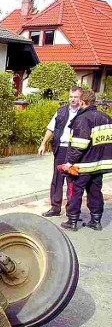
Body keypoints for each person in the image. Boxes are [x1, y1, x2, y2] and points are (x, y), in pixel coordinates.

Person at [58, 89, 112, 231]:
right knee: (95, 192)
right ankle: (96, 221)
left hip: (83, 165)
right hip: (99, 165)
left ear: (83, 101)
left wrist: (69, 162)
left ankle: (72, 221)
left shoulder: (83, 119)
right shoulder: (106, 117)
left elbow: (79, 145)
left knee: (76, 193)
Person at [38, 86, 83, 217]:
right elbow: (51, 129)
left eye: (75, 97)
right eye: (71, 97)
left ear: (81, 98)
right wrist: (43, 143)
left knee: (72, 180)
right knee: (57, 179)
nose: (72, 99)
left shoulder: (83, 113)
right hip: (61, 149)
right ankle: (55, 207)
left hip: (75, 150)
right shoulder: (61, 111)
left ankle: (72, 210)